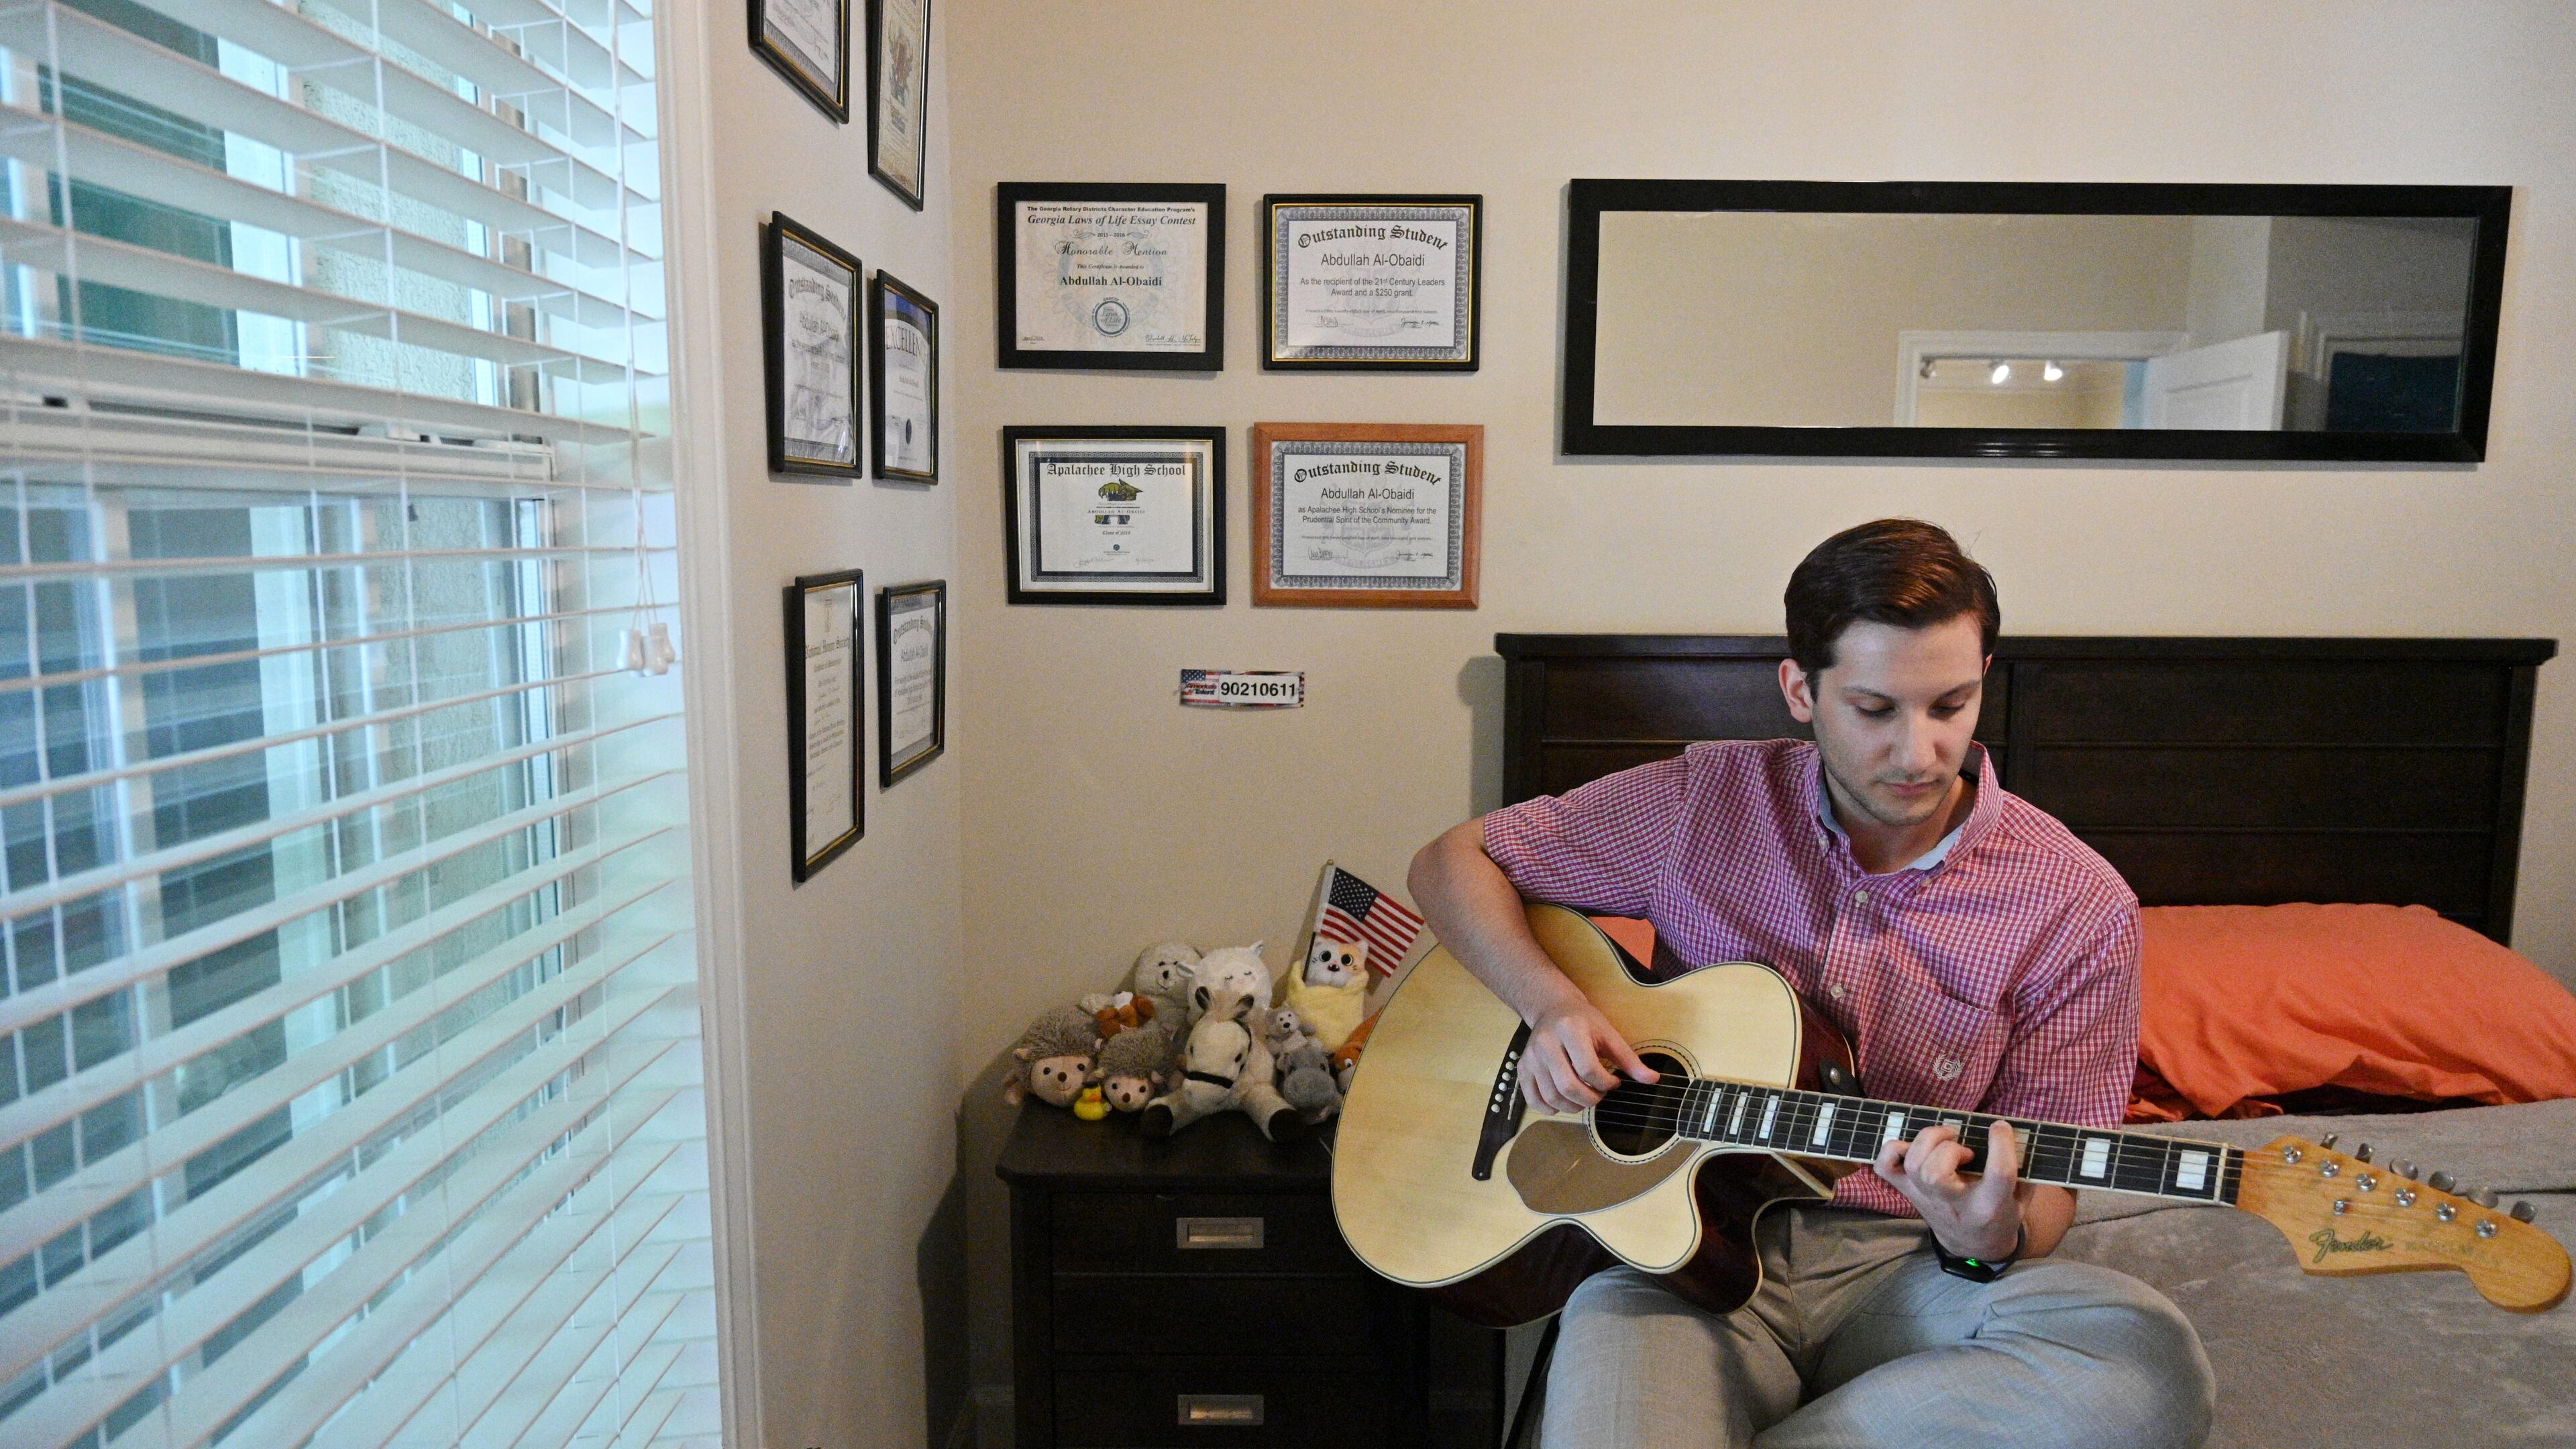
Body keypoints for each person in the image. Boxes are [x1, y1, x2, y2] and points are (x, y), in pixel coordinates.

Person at [1407, 519, 2214, 1449]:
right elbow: (1450, 864)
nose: (1919, 753)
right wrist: (1550, 1003)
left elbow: (2046, 1201)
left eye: (1950, 705)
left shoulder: (2077, 904)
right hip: (1675, 1251)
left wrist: (1987, 1232)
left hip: (1914, 1273)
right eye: (1876, 710)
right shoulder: (1702, 804)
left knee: (2149, 1373)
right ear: (1802, 690)